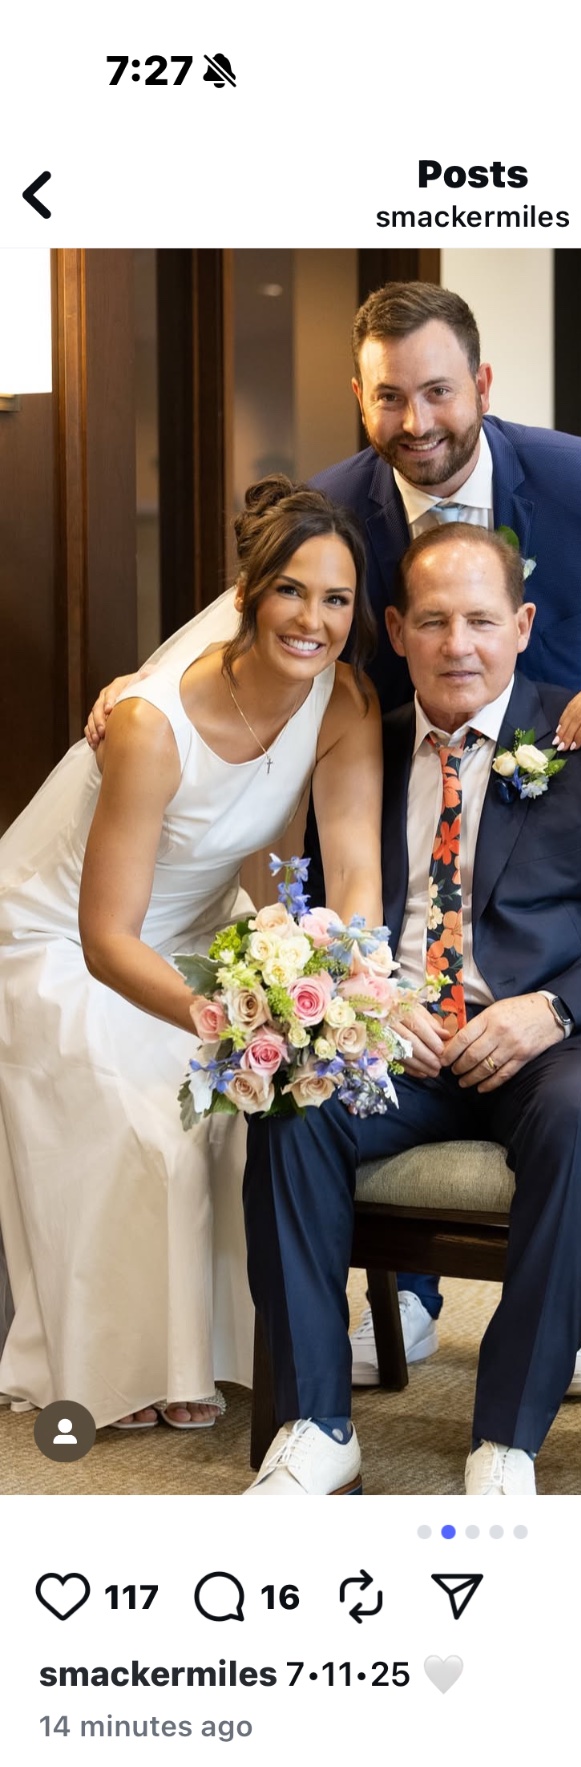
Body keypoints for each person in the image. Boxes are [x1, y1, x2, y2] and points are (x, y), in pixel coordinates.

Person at [85, 278, 581, 1393]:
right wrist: (144, 683)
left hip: (558, 789)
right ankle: (397, 1312)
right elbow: (260, 619)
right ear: (359, 398)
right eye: (388, 398)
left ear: (481, 383)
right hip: (396, 799)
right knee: (331, 1073)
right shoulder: (333, 505)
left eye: (437, 392)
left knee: (566, 1089)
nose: (416, 421)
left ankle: (542, 1320)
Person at [242, 523, 581, 1497]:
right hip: (399, 1046)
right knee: (289, 1099)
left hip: (551, 1044)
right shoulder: (357, 746)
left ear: (522, 624)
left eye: (482, 621)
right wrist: (370, 1001)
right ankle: (316, 1422)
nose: (459, 645)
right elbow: (318, 906)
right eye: (434, 621)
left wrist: (553, 1009)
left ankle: (507, 1438)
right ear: (396, 628)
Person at [0, 479, 382, 1435]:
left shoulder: (344, 701)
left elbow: (352, 871)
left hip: (207, 930)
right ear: (247, 594)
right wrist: (224, 1019)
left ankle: (227, 1347)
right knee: (156, 1115)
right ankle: (127, 1361)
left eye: (336, 599)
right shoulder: (149, 724)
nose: (314, 621)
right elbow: (106, 937)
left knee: (263, 1111)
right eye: (291, 591)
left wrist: (338, 980)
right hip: (65, 938)